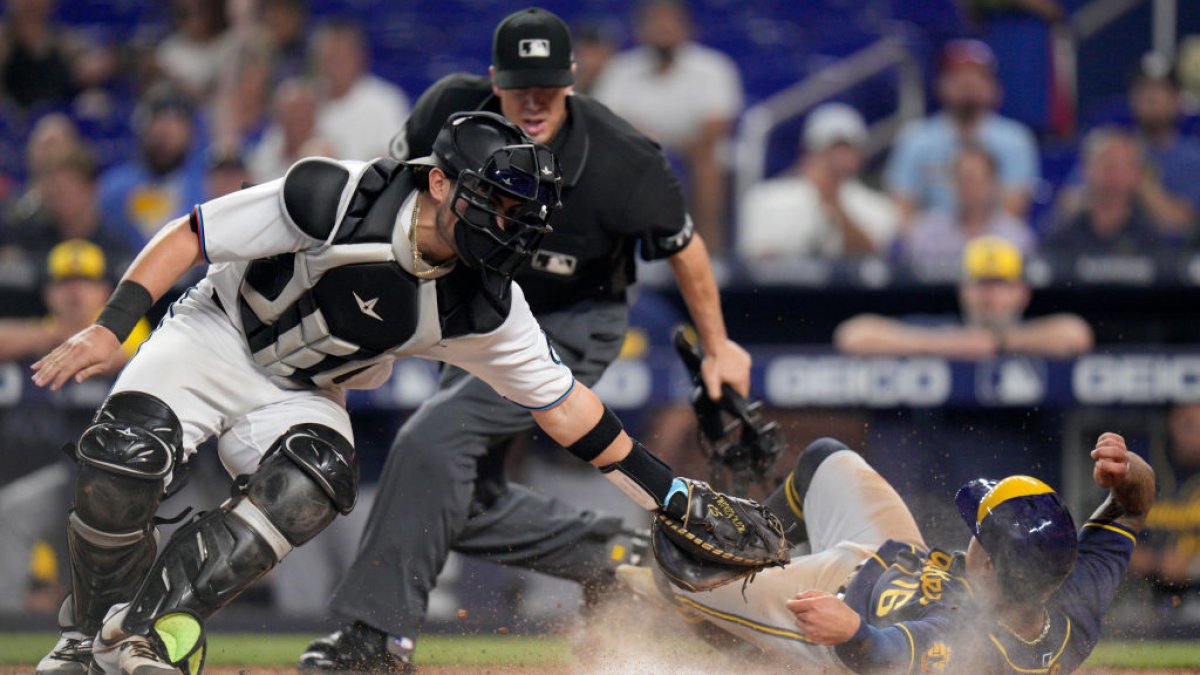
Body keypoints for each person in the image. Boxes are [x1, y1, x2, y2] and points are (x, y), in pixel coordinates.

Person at [31, 111, 766, 675]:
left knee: (317, 477)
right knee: (122, 460)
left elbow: (570, 410)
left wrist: (671, 495)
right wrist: (110, 326)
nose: (507, 226)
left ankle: (154, 632)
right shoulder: (336, 196)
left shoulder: (485, 305)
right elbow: (192, 234)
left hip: (309, 388)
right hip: (218, 332)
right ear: (440, 181)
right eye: (497, 202)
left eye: (519, 213)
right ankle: (83, 638)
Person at [302, 7, 751, 672]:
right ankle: (614, 550)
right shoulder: (452, 112)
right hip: (476, 310)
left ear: (572, 80)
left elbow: (684, 248)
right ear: (494, 81)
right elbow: (380, 195)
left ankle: (375, 633)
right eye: (520, 86)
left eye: (548, 86)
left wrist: (718, 345)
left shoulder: (621, 159)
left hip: (575, 320)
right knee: (457, 491)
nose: (534, 101)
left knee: (432, 438)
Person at [620, 430, 1154, 673]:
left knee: (684, 568)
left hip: (828, 606)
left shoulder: (968, 651)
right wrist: (1128, 473)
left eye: (979, 532)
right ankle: (752, 541)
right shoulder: (1072, 604)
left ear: (989, 565)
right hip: (891, 554)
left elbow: (881, 658)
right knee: (824, 459)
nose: (969, 535)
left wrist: (847, 629)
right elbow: (1134, 507)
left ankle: (687, 605)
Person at [593, 0, 743, 253]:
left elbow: (716, 128)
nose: (663, 30)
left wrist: (673, 149)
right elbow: (605, 122)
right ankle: (615, 254)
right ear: (640, 30)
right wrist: (646, 145)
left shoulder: (713, 68)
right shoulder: (621, 70)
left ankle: (709, 254)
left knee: (708, 164)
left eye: (670, 24)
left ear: (687, 29)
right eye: (655, 24)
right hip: (636, 151)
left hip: (696, 152)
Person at [836, 236, 1092, 359]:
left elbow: (1077, 335)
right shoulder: (941, 331)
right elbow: (852, 336)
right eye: (980, 283)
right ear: (962, 290)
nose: (988, 293)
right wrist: (944, 344)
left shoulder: (1034, 336)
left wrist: (1000, 341)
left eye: (1000, 283)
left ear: (1022, 293)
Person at [885, 39, 1039, 226]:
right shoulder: (915, 138)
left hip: (993, 245)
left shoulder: (1016, 139)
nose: (968, 83)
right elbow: (902, 207)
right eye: (957, 75)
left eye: (978, 76)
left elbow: (1013, 208)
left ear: (994, 87)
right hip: (929, 247)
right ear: (941, 84)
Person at [737, 103, 897, 262]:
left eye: (846, 149)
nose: (836, 159)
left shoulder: (879, 206)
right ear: (807, 153)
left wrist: (835, 205)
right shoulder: (765, 198)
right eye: (830, 149)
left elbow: (874, 260)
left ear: (859, 156)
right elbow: (758, 260)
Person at [902, 146, 1036, 279]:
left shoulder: (1015, 237)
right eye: (961, 179)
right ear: (951, 183)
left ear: (993, 183)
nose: (967, 187)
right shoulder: (926, 232)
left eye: (974, 179)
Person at [97, 84, 206, 241]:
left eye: (175, 124)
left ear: (191, 133)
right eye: (158, 123)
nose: (165, 133)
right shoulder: (114, 189)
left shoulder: (207, 187)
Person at [1045, 128, 1171, 256]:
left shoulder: (1151, 236)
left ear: (1137, 173)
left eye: (1122, 165)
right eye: (1105, 162)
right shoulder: (1064, 232)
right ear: (1085, 170)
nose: (1113, 172)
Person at [1129, 403, 1200, 615]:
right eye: (1189, 425)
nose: (1197, 436)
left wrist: (1192, 565)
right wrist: (1156, 562)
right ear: (1172, 424)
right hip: (1141, 592)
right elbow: (1103, 535)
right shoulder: (1139, 465)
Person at [312, 20, 409, 161]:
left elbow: (396, 159)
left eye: (340, 58)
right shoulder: (304, 104)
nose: (333, 67)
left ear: (358, 58)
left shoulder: (385, 102)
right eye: (328, 59)